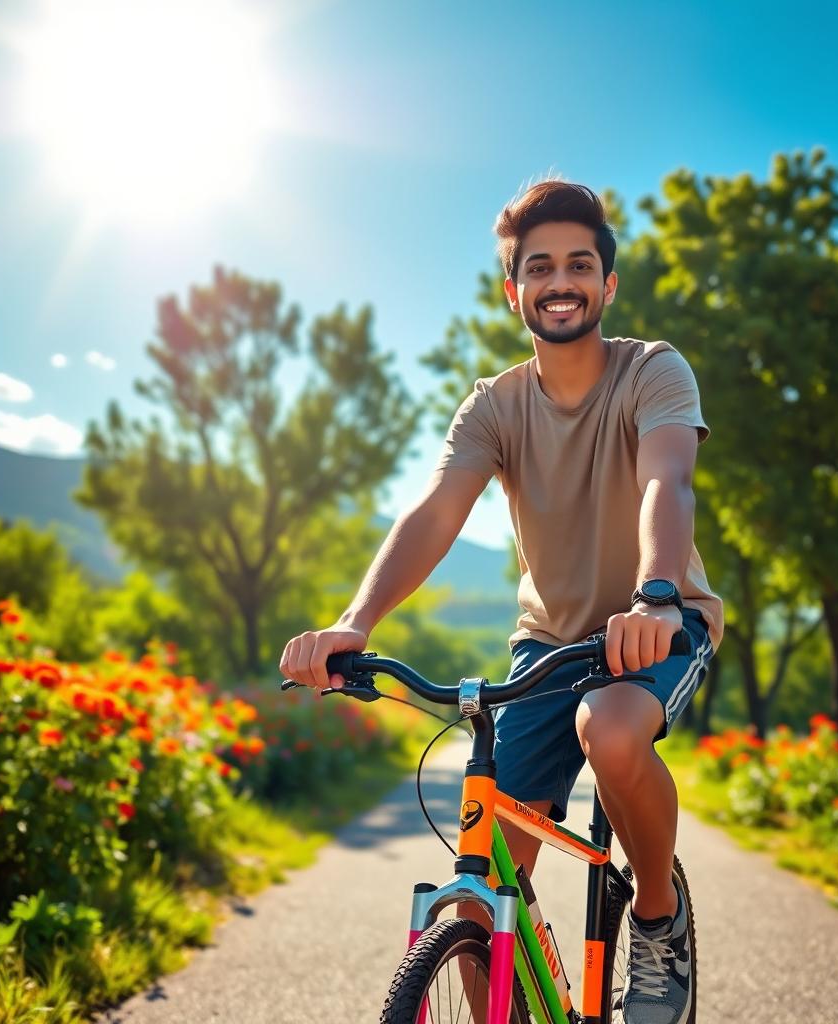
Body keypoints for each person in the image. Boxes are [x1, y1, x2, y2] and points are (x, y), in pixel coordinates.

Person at [280, 179, 722, 1024]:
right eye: (541, 266)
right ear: (513, 288)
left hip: (660, 625)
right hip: (547, 645)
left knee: (612, 728)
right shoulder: (494, 404)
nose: (562, 280)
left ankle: (660, 920)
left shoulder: (652, 369)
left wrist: (658, 595)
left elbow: (667, 480)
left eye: (580, 264)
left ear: (607, 285)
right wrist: (353, 624)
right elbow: (437, 511)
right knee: (482, 901)